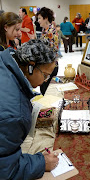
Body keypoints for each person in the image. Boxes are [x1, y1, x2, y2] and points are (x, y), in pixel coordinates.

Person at [0, 39, 59, 179]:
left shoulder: (5, 59)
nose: (45, 81)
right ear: (31, 67)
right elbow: (6, 170)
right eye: (45, 75)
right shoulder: (15, 114)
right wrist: (41, 163)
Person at [37, 7, 59, 95]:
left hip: (50, 66)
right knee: (43, 91)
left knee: (46, 93)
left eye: (39, 18)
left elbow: (51, 51)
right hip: (45, 66)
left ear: (45, 18)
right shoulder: (44, 30)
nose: (38, 21)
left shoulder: (51, 31)